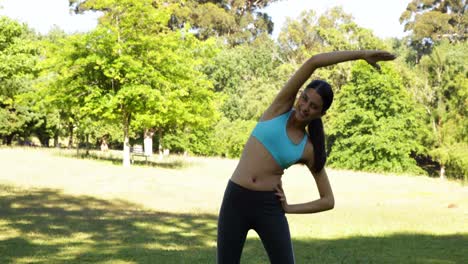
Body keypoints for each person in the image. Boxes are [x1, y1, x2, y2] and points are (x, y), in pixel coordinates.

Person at [216, 50, 396, 263]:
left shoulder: (309, 148)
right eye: (305, 99)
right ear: (299, 95)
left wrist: (289, 208)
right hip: (236, 198)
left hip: (268, 206)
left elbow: (328, 200)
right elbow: (314, 62)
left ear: (321, 114)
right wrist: (361, 55)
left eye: (314, 106)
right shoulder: (279, 108)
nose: (305, 107)